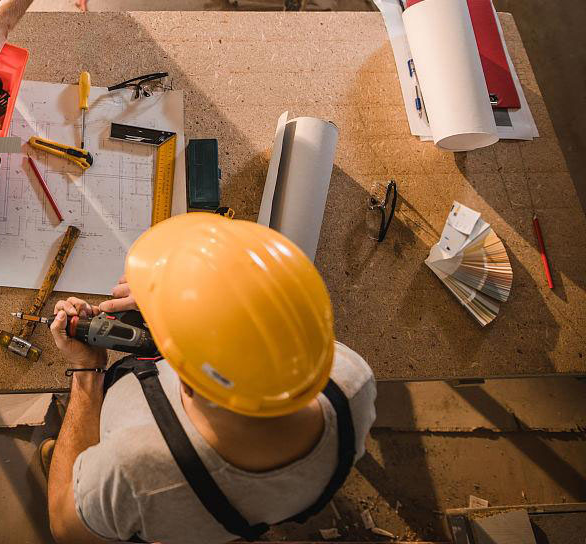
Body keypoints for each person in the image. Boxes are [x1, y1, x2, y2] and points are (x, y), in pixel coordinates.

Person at [44, 215, 378, 544]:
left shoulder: (132, 472)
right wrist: (193, 306)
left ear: (182, 380)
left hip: (145, 503)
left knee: (73, 478)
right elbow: (262, 331)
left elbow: (64, 527)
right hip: (250, 512)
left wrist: (88, 374)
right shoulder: (350, 383)